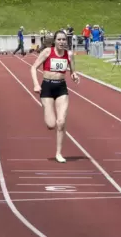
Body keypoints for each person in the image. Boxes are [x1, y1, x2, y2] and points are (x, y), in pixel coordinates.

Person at [30, 30, 79, 163]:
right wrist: (36, 84)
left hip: (61, 88)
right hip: (47, 87)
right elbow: (33, 68)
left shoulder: (69, 54)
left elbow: (73, 71)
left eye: (64, 40)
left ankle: (59, 153)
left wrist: (74, 76)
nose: (62, 42)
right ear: (55, 41)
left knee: (61, 122)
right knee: (51, 124)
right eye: (59, 40)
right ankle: (46, 108)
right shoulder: (47, 52)